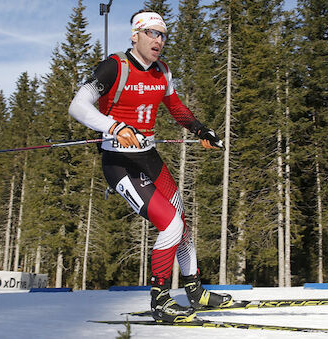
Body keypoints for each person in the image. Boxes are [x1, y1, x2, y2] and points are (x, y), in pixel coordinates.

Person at [68, 10, 231, 322]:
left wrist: (200, 129)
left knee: (182, 221)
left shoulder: (162, 71)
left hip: (149, 158)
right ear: (135, 35)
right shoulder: (115, 66)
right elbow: (78, 105)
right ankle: (160, 300)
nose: (158, 40)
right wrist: (114, 127)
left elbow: (175, 107)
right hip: (119, 163)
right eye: (151, 33)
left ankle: (195, 289)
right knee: (170, 224)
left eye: (162, 35)